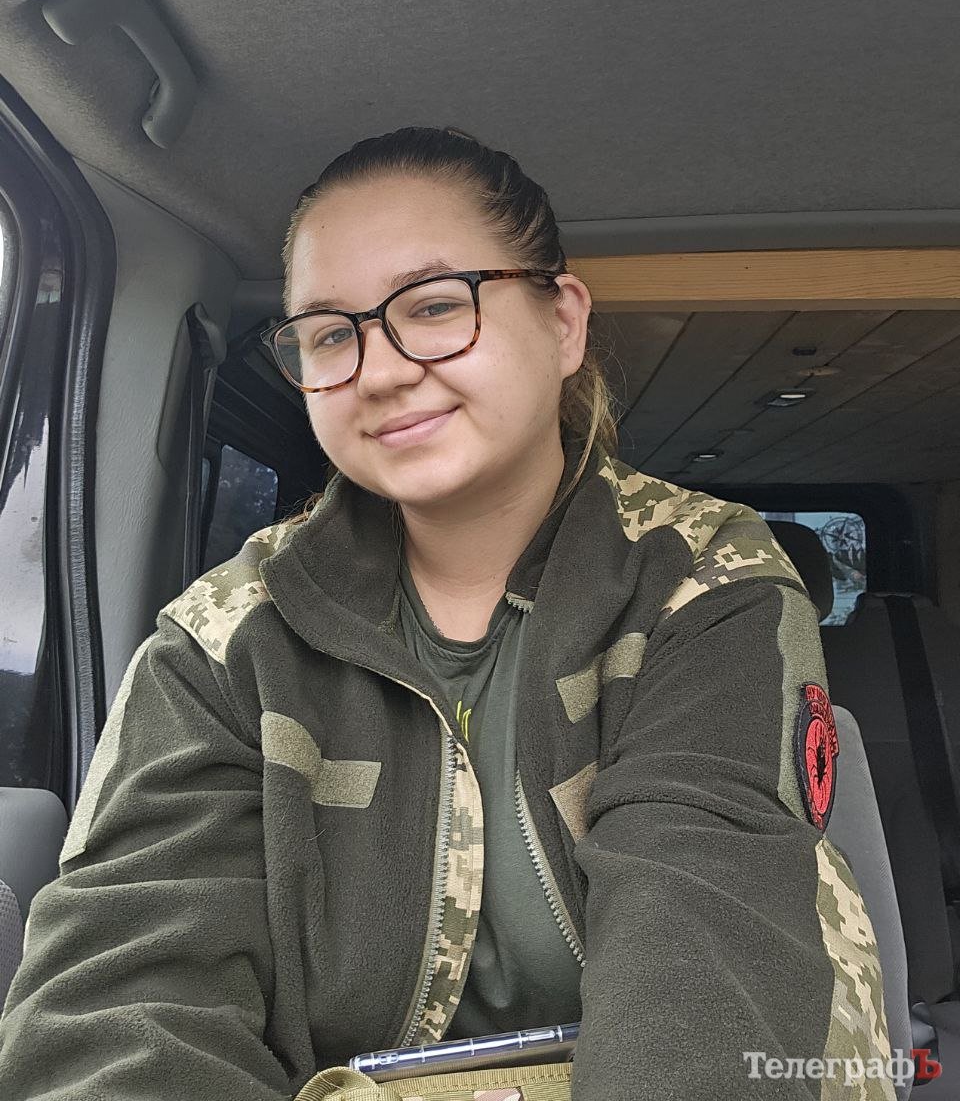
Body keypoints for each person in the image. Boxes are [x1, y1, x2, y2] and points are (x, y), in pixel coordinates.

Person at [0, 126, 894, 1099]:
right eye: (330, 334)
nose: (378, 370)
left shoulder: (702, 577)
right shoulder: (224, 638)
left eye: (433, 306)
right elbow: (125, 998)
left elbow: (706, 956)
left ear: (564, 324)